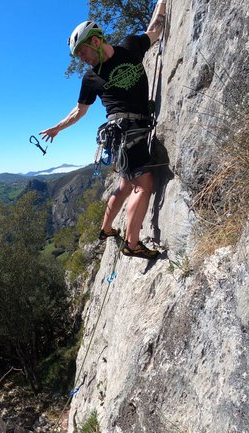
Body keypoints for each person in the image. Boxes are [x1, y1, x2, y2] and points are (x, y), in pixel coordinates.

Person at [40, 1, 167, 259]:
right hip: (126, 132)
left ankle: (106, 229)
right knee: (143, 185)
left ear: (97, 41)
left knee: (123, 185)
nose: (82, 59)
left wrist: (163, 3)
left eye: (83, 52)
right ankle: (132, 244)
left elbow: (154, 31)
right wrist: (57, 128)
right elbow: (79, 110)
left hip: (127, 131)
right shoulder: (91, 78)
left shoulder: (130, 46)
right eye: (79, 56)